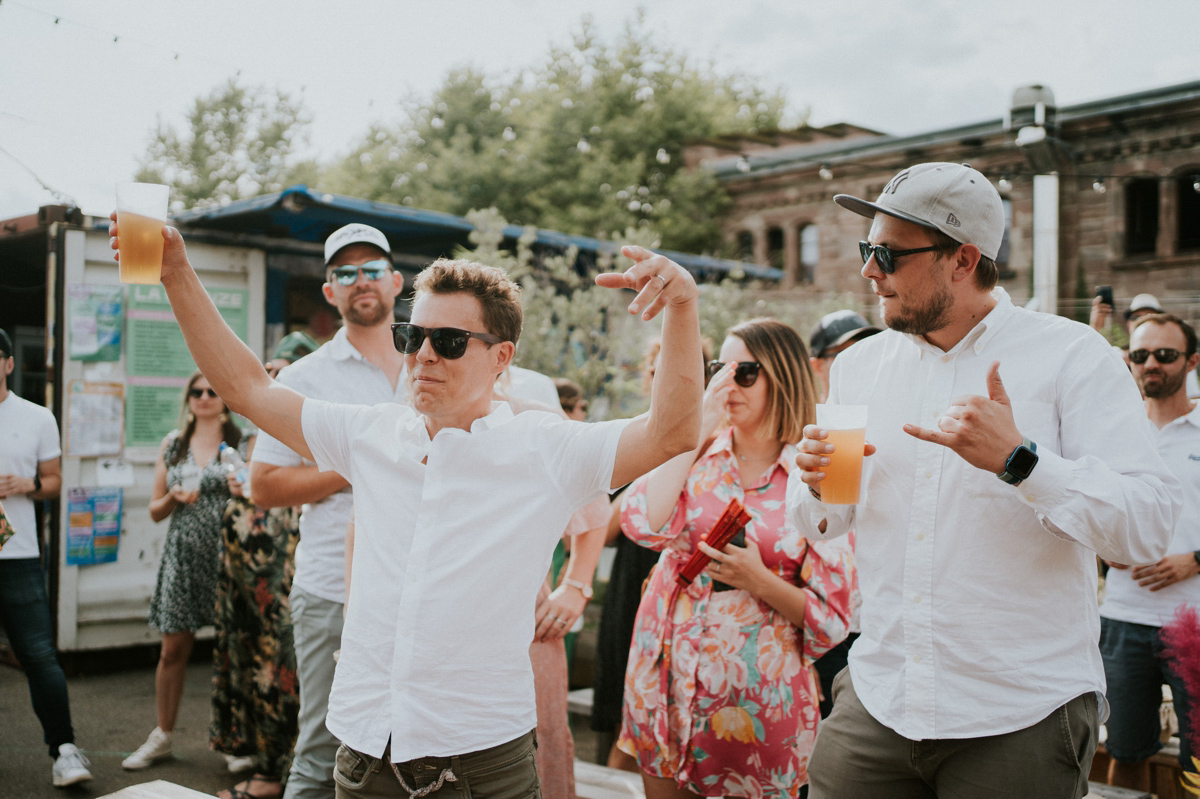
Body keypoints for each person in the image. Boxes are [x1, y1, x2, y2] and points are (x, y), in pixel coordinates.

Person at [109, 212, 703, 797]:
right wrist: (176, 273)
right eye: (412, 337)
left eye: (447, 341)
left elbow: (670, 433)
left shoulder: (546, 447)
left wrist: (681, 308)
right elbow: (248, 389)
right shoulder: (373, 434)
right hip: (364, 752)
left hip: (480, 761)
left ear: (501, 357)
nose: (423, 355)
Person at [786, 162, 1181, 799]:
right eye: (867, 249)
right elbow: (823, 520)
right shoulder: (859, 365)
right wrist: (814, 484)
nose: (868, 271)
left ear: (962, 259)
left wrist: (1021, 462)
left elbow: (1147, 527)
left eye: (886, 252)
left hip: (1017, 713)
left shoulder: (1074, 357)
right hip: (880, 696)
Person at [619, 317, 854, 799]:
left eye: (744, 373)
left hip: (756, 702)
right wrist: (699, 425)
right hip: (663, 676)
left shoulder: (824, 466)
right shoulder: (698, 455)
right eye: (718, 370)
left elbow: (834, 620)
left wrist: (759, 579)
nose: (728, 383)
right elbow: (639, 522)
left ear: (782, 376)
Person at [250, 223, 406, 799]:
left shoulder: (434, 361)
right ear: (329, 291)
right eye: (345, 272)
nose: (360, 282)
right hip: (331, 590)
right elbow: (263, 486)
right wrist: (362, 461)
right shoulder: (304, 377)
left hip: (422, 587)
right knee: (321, 747)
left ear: (396, 281)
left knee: (415, 748)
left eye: (371, 270)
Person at [125, 372, 250, 770]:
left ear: (225, 398)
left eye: (213, 390)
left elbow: (259, 495)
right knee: (173, 648)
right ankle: (162, 734)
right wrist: (175, 498)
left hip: (229, 554)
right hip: (183, 556)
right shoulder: (173, 444)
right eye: (196, 392)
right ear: (188, 399)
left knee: (233, 651)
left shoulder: (243, 442)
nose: (204, 397)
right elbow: (154, 509)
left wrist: (242, 487)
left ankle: (236, 742)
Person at [210, 336, 316, 799]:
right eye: (270, 369)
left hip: (284, 564)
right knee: (247, 654)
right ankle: (256, 750)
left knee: (282, 663)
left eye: (285, 371)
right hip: (242, 563)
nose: (274, 379)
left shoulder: (310, 422)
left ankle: (277, 769)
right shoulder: (257, 426)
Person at [1099, 312, 1200, 792]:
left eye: (1165, 354)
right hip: (1123, 619)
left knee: (1198, 760)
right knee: (1123, 747)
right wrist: (1103, 545)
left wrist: (1193, 561)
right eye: (1140, 355)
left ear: (1193, 361)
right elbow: (1084, 511)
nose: (1151, 364)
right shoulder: (1111, 436)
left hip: (1195, 621)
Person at [0, 329, 92, 788]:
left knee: (38, 655)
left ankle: (65, 751)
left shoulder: (36, 417)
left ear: (9, 364)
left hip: (17, 554)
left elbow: (55, 481)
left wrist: (25, 486)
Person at [806, 311, 878, 719]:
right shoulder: (807, 428)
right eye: (844, 352)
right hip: (822, 623)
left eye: (867, 346)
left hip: (874, 624)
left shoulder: (888, 421)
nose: (860, 358)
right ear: (818, 364)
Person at [807, 310, 879, 404]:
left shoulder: (886, 411)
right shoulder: (808, 417)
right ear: (816, 366)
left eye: (866, 352)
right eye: (844, 354)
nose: (859, 361)